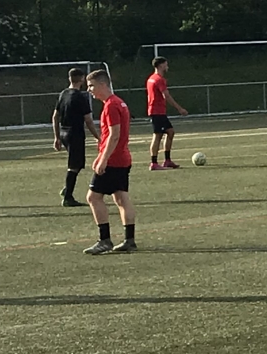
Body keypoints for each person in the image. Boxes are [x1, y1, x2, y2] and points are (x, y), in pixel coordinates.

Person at [83, 70, 137, 254]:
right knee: (121, 198)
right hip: (123, 157)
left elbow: (114, 136)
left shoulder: (111, 105)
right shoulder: (119, 102)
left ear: (103, 85)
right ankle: (129, 240)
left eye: (91, 86)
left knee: (93, 197)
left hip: (114, 160)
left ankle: (104, 240)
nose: (89, 90)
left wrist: (103, 159)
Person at [50, 68, 97, 206]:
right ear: (82, 79)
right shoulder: (80, 97)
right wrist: (97, 136)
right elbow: (88, 120)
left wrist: (57, 137)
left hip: (64, 132)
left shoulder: (63, 93)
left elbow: (55, 116)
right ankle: (68, 197)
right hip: (75, 134)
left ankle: (67, 188)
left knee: (78, 163)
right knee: (74, 165)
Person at [145, 56, 188, 170]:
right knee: (158, 135)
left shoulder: (151, 78)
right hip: (157, 111)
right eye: (166, 64)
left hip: (157, 111)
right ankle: (154, 163)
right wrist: (179, 109)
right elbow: (166, 96)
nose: (167, 66)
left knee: (170, 132)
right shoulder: (159, 79)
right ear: (161, 65)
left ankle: (167, 160)